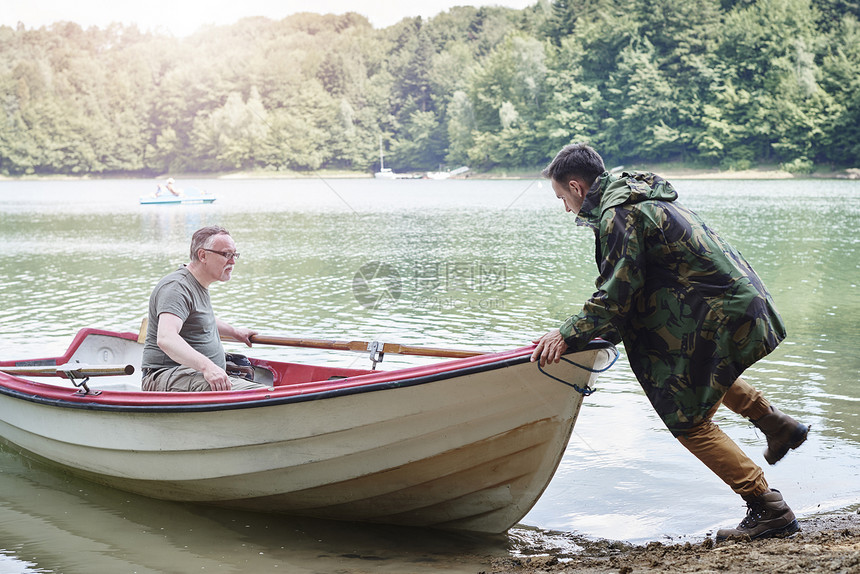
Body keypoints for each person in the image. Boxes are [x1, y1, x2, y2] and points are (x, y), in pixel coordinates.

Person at [531, 143, 809, 541]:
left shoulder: (618, 215)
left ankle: (770, 509)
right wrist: (587, 335)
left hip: (717, 314)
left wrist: (565, 333)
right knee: (699, 375)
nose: (565, 208)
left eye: (561, 198)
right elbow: (632, 291)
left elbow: (616, 294)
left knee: (689, 421)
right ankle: (777, 425)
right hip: (731, 303)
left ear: (576, 187)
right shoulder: (637, 196)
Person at [141, 225, 267, 392]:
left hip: (191, 374)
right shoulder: (177, 288)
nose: (233, 261)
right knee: (260, 393)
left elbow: (199, 317)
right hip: (165, 376)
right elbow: (166, 338)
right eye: (226, 254)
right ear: (202, 255)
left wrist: (235, 332)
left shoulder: (196, 284)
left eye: (235, 255)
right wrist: (208, 367)